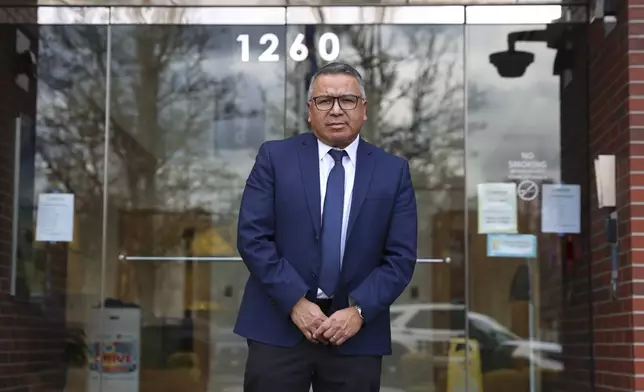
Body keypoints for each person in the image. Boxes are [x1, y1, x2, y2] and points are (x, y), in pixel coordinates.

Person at [234, 62, 418, 392]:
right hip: (277, 326)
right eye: (324, 101)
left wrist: (359, 311)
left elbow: (400, 258)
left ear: (364, 109)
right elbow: (253, 237)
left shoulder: (394, 172)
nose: (336, 110)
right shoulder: (275, 158)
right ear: (309, 110)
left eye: (347, 100)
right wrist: (294, 301)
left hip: (355, 335)